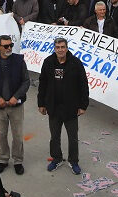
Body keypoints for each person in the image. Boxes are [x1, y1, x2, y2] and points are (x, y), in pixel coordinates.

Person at [37, 37, 89, 175]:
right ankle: (57, 158)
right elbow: (43, 83)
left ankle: (74, 161)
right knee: (54, 136)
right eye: (57, 47)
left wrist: (83, 105)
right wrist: (41, 103)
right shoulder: (48, 62)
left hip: (71, 108)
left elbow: (83, 84)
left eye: (62, 47)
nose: (60, 49)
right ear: (54, 48)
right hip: (53, 107)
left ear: (66, 48)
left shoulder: (76, 63)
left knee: (72, 137)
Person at [0, 34, 30, 175]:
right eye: (6, 46)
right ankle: (3, 159)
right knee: (1, 134)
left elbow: (26, 81)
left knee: (17, 135)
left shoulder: (19, 61)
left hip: (16, 106)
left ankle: (18, 161)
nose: (9, 48)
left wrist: (16, 96)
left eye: (11, 45)